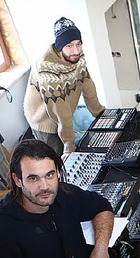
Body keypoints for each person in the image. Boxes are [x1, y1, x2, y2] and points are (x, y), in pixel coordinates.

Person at [23, 17, 105, 158]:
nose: (76, 50)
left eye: (78, 44)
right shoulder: (46, 67)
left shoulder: (76, 56)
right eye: (70, 46)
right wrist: (69, 145)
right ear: (60, 48)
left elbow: (87, 84)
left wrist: (101, 113)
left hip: (62, 114)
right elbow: (59, 110)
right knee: (57, 160)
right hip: (44, 121)